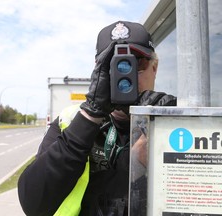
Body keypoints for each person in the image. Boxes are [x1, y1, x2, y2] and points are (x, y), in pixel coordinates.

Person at [18, 20, 177, 216]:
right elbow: (33, 204)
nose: (125, 75)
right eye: (113, 65)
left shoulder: (173, 124)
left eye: (138, 63)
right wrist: (90, 115)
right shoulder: (70, 120)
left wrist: (169, 122)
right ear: (97, 72)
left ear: (155, 68)